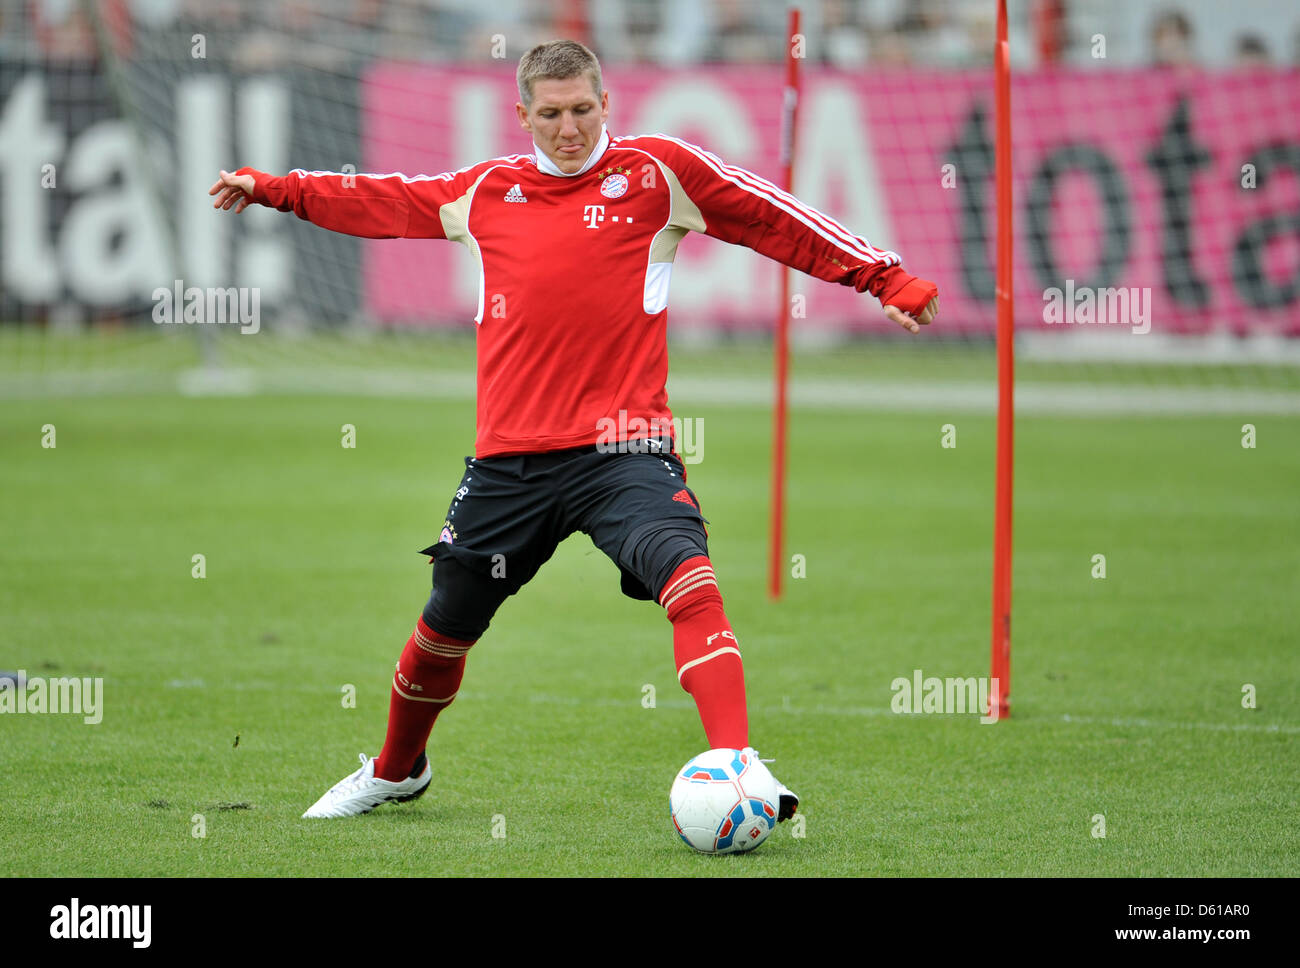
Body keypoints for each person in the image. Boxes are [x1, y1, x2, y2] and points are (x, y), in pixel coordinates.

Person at [210, 38, 938, 821]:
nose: (569, 128)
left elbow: (768, 215)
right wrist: (275, 190)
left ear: (606, 104)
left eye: (583, 110)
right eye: (551, 114)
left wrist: (882, 276)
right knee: (445, 624)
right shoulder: (485, 191)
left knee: (689, 579)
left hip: (625, 449)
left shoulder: (658, 174)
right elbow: (380, 200)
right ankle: (395, 770)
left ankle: (736, 763)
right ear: (522, 114)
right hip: (510, 462)